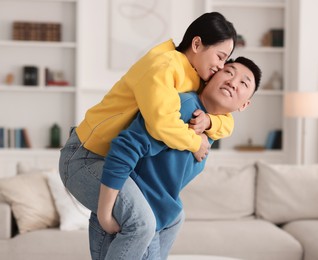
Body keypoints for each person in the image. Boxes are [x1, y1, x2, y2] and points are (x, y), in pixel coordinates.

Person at [59, 12, 237, 260]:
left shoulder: (195, 75)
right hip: (85, 156)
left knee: (173, 216)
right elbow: (161, 125)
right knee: (142, 223)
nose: (221, 66)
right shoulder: (164, 65)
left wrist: (211, 120)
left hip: (115, 163)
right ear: (197, 44)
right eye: (220, 57)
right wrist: (196, 142)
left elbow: (227, 118)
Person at [93, 57, 262, 259]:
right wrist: (106, 212)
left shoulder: (213, 126)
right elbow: (125, 148)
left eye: (243, 83)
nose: (232, 82)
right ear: (210, 77)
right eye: (229, 72)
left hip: (158, 215)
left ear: (244, 105)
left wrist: (208, 124)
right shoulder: (183, 107)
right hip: (133, 214)